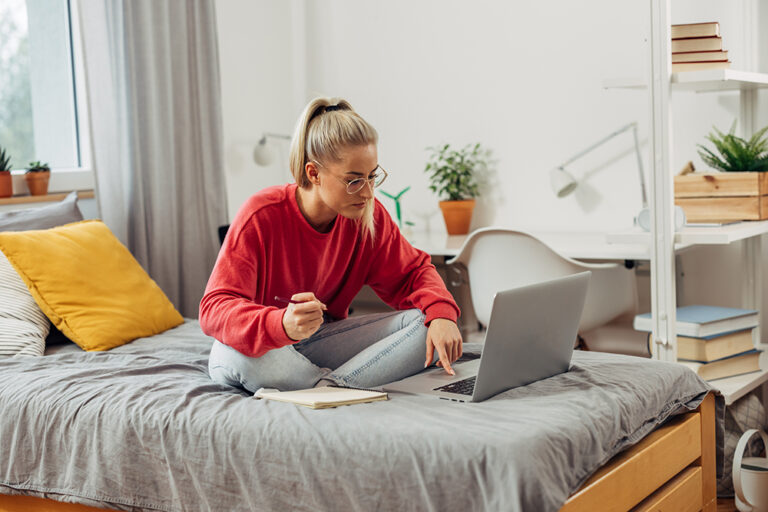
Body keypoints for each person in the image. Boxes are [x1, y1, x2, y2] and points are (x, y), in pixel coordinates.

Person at [200, 97, 462, 393]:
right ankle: (338, 386)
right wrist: (280, 324)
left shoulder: (368, 216)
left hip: (319, 342)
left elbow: (413, 273)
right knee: (239, 356)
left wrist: (442, 314)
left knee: (424, 324)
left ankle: (326, 389)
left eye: (372, 177)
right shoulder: (261, 214)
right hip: (266, 348)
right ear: (314, 173)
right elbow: (214, 309)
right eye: (353, 181)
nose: (367, 192)